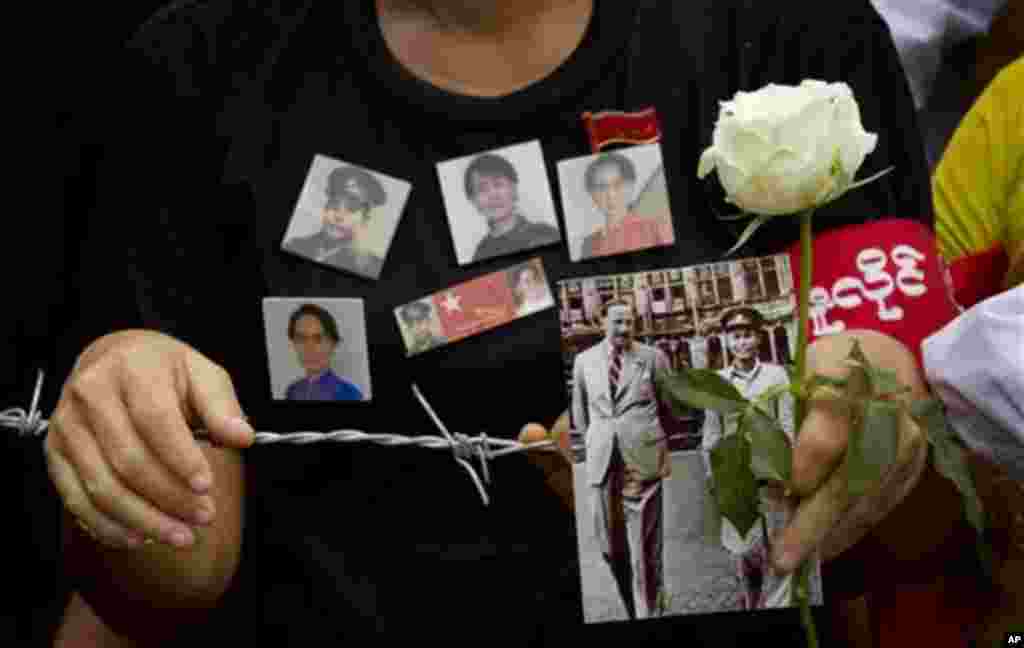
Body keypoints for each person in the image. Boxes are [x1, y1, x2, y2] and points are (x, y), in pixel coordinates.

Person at [42, 0, 952, 646]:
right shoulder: (200, 68)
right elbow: (171, 588)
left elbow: (932, 515)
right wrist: (125, 423)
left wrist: (877, 419)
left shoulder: (791, 33)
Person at [572, 298, 672, 619]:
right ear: (602, 322)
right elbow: (581, 413)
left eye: (629, 322)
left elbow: (669, 407)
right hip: (603, 462)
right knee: (609, 546)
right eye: (617, 322)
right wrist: (597, 442)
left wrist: (649, 441)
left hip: (642, 461)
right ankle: (631, 607)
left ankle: (650, 611)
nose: (624, 328)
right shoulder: (584, 361)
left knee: (645, 548)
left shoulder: (653, 358)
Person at [699, 306, 799, 610]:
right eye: (736, 337)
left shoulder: (776, 375)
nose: (742, 343)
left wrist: (787, 470)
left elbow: (787, 425)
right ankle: (752, 603)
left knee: (780, 550)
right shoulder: (717, 381)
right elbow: (711, 435)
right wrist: (713, 477)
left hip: (772, 478)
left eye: (748, 336)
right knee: (743, 552)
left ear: (758, 338)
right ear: (728, 342)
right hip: (736, 479)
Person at [283, 165, 388, 278]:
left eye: (351, 209)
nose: (338, 216)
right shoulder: (295, 246)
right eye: (334, 204)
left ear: (365, 218)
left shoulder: (371, 267)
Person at [464, 153, 561, 262]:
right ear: (473, 201)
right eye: (482, 189)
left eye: (498, 184)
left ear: (514, 189)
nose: (493, 195)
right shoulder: (480, 254)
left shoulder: (546, 235)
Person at [579, 152, 673, 259]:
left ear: (631, 187)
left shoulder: (656, 228)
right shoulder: (588, 245)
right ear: (592, 194)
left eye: (618, 184)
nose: (610, 194)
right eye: (601, 187)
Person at [284, 303, 364, 401]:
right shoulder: (292, 391)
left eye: (318, 338)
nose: (309, 348)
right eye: (301, 338)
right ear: (293, 343)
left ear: (333, 344)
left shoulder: (350, 395)